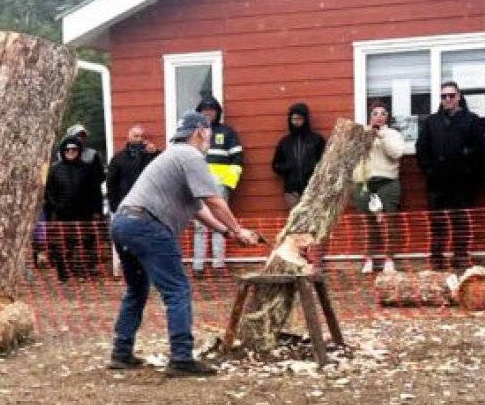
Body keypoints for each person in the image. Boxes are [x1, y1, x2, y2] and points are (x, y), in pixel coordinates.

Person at [109, 112, 261, 378]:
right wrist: (239, 229)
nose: (210, 138)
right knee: (177, 290)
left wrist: (228, 233)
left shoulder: (172, 155)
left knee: (137, 289)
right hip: (148, 225)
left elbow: (198, 209)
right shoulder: (190, 156)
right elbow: (214, 200)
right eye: (209, 132)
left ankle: (121, 353)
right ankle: (181, 357)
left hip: (123, 224)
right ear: (200, 131)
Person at [416, 81, 485, 270]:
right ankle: (437, 257)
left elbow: (480, 149)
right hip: (437, 182)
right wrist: (429, 170)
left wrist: (468, 165)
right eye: (444, 96)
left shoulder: (472, 120)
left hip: (462, 182)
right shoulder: (431, 122)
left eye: (451, 95)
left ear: (459, 97)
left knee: (461, 221)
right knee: (437, 223)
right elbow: (421, 149)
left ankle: (461, 256)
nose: (447, 99)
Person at [351, 101, 406, 274]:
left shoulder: (393, 134)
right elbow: (353, 157)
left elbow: (396, 154)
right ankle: (368, 259)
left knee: (388, 222)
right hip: (365, 184)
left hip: (387, 181)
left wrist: (381, 137)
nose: (379, 117)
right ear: (370, 116)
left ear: (387, 117)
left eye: (383, 113)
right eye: (375, 113)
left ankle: (389, 259)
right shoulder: (362, 134)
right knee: (366, 224)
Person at [191, 96, 244, 273]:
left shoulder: (227, 132)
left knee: (220, 224)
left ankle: (218, 264)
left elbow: (237, 158)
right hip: (197, 186)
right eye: (204, 110)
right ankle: (198, 265)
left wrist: (229, 182)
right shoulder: (194, 133)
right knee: (199, 225)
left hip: (219, 186)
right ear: (199, 113)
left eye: (211, 110)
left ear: (217, 112)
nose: (208, 113)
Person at [271, 102, 326, 267]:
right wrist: (288, 168)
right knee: (296, 225)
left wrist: (315, 170)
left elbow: (325, 163)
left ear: (306, 119)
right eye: (294, 119)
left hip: (313, 190)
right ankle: (298, 260)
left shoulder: (317, 140)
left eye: (300, 119)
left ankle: (316, 260)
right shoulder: (284, 142)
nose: (297, 122)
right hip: (291, 190)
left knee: (314, 225)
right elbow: (275, 165)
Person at [44, 135, 105, 281]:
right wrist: (55, 206)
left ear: (79, 151)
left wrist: (97, 211)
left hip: (83, 213)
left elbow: (95, 192)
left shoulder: (87, 169)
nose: (71, 152)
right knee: (62, 243)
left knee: (83, 242)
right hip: (62, 214)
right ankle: (63, 273)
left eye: (74, 149)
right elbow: (47, 192)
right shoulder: (54, 170)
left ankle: (80, 272)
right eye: (67, 150)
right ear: (63, 151)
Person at [106, 125, 158, 214]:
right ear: (129, 137)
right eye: (136, 136)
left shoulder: (152, 155)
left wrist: (155, 153)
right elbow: (111, 183)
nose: (139, 139)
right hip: (126, 206)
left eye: (142, 136)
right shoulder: (118, 158)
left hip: (149, 206)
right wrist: (114, 206)